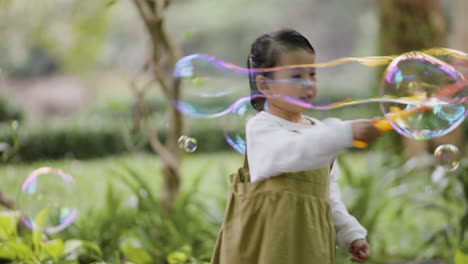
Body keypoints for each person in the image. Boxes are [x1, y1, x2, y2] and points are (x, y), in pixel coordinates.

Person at [211, 28, 380, 264]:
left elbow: (327, 194)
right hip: (268, 248)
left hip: (311, 246)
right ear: (265, 85)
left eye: (312, 74)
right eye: (296, 76)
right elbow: (291, 152)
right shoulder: (261, 128)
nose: (308, 84)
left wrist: (350, 234)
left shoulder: (319, 131)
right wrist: (344, 132)